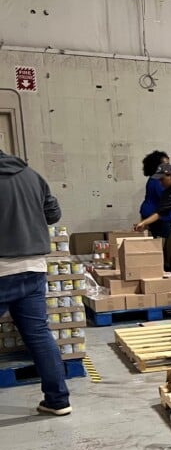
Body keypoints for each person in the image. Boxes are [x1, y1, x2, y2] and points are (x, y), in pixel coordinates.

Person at [0, 149, 72, 416]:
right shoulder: (32, 175)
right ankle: (58, 400)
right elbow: (53, 214)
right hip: (33, 268)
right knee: (40, 336)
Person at [139, 150, 171, 271]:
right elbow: (166, 199)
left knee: (155, 244)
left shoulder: (153, 178)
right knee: (159, 245)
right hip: (158, 215)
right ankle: (159, 269)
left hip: (149, 212)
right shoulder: (159, 181)